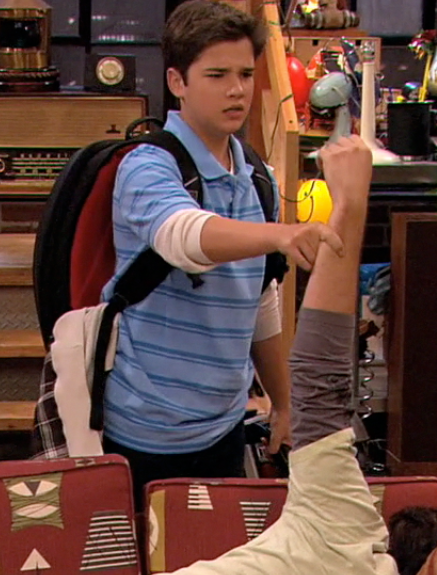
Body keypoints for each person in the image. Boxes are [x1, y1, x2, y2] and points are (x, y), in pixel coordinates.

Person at [101, 0, 343, 500]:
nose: (237, 90)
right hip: (144, 428)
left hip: (224, 427)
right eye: (217, 75)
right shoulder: (147, 165)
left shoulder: (258, 176)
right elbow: (184, 237)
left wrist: (284, 403)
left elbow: (260, 301)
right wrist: (281, 234)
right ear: (177, 81)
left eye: (245, 74)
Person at [159, 134, 398, 575]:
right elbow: (318, 380)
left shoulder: (343, 540)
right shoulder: (343, 544)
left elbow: (319, 378)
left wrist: (349, 206)